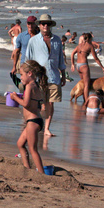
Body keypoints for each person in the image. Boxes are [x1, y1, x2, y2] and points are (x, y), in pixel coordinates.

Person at [26, 14, 66, 146]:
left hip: (54, 76)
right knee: (37, 103)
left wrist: (63, 74)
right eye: (43, 23)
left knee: (51, 103)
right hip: (38, 77)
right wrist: (27, 77)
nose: (45, 26)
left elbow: (60, 58)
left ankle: (47, 128)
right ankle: (36, 125)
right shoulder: (33, 41)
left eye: (47, 24)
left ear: (50, 25)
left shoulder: (57, 40)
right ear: (39, 25)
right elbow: (28, 59)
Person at [10, 60, 47, 174]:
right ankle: (27, 169)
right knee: (20, 144)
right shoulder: (35, 85)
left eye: (21, 74)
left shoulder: (30, 86)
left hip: (33, 121)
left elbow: (26, 104)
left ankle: (41, 174)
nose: (20, 77)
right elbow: (34, 104)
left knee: (33, 149)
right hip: (34, 120)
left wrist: (15, 98)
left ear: (29, 73)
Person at [70, 33, 104, 106]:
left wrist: (73, 64)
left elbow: (72, 53)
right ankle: (87, 102)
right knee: (87, 85)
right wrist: (102, 68)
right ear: (90, 39)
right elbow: (96, 58)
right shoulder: (90, 46)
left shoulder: (79, 45)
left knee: (84, 84)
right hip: (84, 66)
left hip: (78, 66)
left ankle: (85, 100)